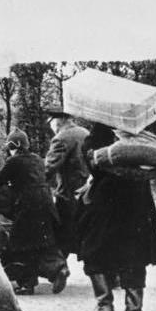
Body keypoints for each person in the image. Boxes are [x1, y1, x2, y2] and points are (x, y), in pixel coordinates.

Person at [77, 123, 156, 311]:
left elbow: (94, 165)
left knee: (93, 248)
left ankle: (104, 306)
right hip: (139, 199)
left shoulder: (100, 133)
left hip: (108, 198)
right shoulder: (140, 132)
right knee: (135, 252)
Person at [0, 128, 69, 295]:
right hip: (47, 202)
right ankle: (59, 268)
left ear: (14, 146)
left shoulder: (15, 161)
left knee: (20, 244)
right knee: (45, 240)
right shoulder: (37, 159)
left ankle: (27, 284)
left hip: (28, 205)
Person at [44, 106, 90, 257]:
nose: (50, 125)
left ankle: (59, 272)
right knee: (86, 237)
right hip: (88, 193)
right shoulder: (85, 133)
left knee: (61, 238)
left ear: (59, 120)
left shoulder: (62, 138)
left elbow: (48, 168)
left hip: (68, 196)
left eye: (50, 120)